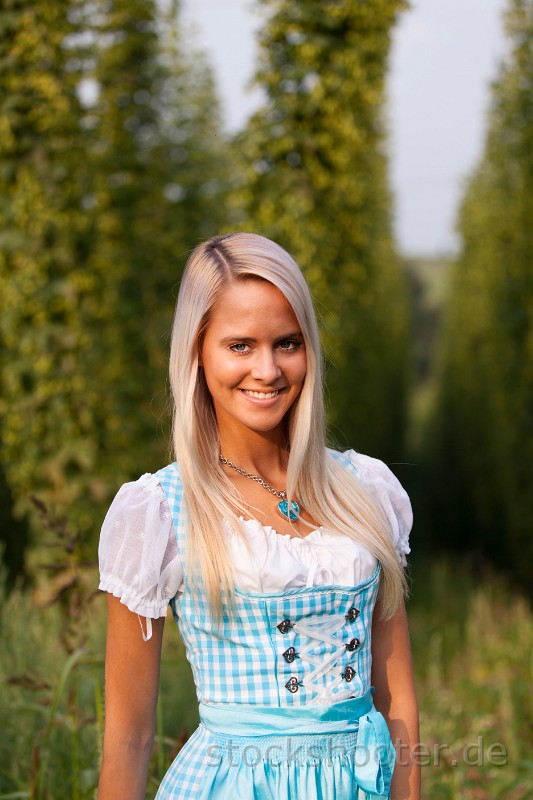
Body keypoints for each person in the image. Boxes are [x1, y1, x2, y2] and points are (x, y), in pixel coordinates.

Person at [97, 232, 420, 800]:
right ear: (197, 352)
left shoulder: (366, 490)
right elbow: (128, 737)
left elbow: (398, 702)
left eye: (287, 343)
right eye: (240, 345)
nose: (267, 369)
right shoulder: (161, 513)